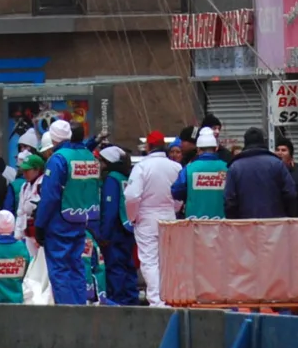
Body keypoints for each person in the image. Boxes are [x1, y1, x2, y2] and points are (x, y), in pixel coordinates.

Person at [30, 119, 102, 305]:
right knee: (76, 266)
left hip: (59, 221)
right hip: (81, 219)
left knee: (60, 270)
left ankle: (66, 311)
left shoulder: (58, 159)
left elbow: (50, 196)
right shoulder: (87, 155)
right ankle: (79, 307)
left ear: (52, 139)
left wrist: (39, 225)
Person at [124, 132, 183, 303]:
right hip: (169, 217)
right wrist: (174, 209)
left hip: (147, 217)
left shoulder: (142, 167)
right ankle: (170, 298)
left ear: (148, 147)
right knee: (168, 260)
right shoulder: (176, 167)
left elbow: (132, 196)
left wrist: (133, 217)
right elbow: (180, 195)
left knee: (149, 260)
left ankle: (157, 301)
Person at [95, 144, 143, 305]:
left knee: (115, 267)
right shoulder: (124, 178)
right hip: (127, 228)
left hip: (115, 231)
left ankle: (117, 301)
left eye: (101, 161)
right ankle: (131, 298)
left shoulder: (111, 179)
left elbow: (110, 209)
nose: (99, 165)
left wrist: (104, 235)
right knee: (128, 266)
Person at [221, 127, 296, 220]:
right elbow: (290, 193)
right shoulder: (277, 164)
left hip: (245, 227)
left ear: (245, 143)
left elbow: (229, 200)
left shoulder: (235, 167)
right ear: (263, 142)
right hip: (275, 226)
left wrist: (235, 223)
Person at [177, 127, 230, 219]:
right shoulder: (227, 168)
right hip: (221, 222)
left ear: (198, 149)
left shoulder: (189, 169)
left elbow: (176, 191)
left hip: (195, 221)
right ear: (216, 148)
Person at [275, 136, 298, 207]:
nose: (279, 153)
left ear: (291, 155)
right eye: (277, 150)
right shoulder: (272, 172)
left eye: (283, 150)